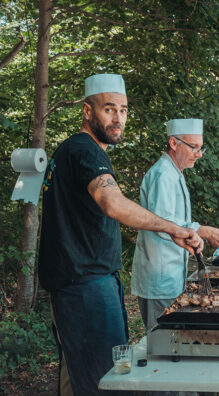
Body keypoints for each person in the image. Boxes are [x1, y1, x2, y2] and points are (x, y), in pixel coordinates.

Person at [39, 74, 203, 396]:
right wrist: (172, 228)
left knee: (78, 374)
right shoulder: (85, 150)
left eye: (124, 110)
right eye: (109, 109)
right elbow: (112, 202)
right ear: (88, 111)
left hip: (81, 283)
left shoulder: (73, 151)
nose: (118, 119)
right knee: (106, 381)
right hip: (84, 286)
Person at [131, 119, 219, 332]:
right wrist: (202, 231)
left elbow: (174, 221)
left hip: (171, 274)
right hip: (159, 276)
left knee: (172, 338)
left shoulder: (174, 172)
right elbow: (162, 224)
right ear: (173, 142)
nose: (199, 154)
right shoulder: (162, 175)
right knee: (162, 341)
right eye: (193, 147)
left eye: (201, 148)